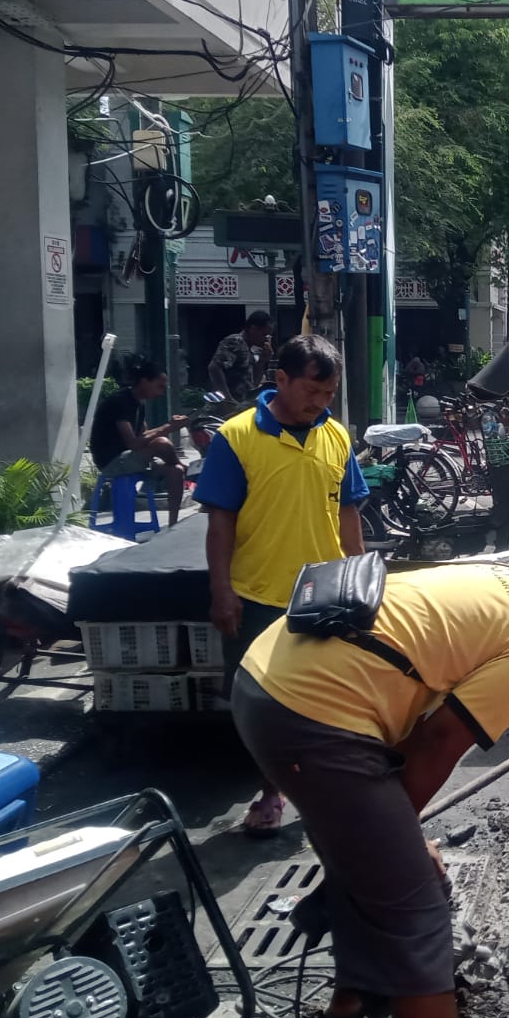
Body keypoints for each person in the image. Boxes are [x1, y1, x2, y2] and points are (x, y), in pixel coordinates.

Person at [232, 543, 509, 1018]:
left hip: (268, 671)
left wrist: (394, 836)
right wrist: (405, 837)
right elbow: (438, 741)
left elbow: (418, 728)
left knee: (367, 866)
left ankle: (349, 999)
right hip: (313, 709)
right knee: (418, 907)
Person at [194, 334, 371, 834]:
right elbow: (220, 521)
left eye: (328, 394)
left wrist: (359, 578)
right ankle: (271, 792)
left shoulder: (336, 435)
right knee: (264, 708)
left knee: (329, 698)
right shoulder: (238, 436)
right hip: (257, 597)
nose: (319, 403)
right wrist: (221, 591)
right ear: (281, 381)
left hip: (326, 595)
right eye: (311, 392)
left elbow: (348, 510)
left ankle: (326, 787)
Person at [90, 357, 189, 527]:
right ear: (144, 382)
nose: (161, 392)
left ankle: (172, 524)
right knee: (163, 443)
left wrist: (169, 426)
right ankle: (183, 468)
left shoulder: (139, 404)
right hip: (112, 461)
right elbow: (133, 443)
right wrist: (168, 427)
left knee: (176, 470)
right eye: (159, 386)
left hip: (130, 458)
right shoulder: (120, 402)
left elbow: (144, 435)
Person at [208, 310, 275, 402]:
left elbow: (253, 383)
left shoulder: (250, 350)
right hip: (223, 408)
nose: (266, 339)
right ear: (253, 328)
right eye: (264, 334)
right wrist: (227, 399)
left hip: (240, 405)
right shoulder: (235, 342)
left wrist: (262, 361)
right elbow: (214, 368)